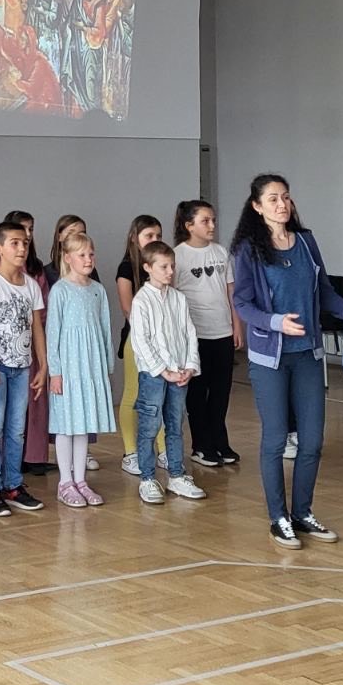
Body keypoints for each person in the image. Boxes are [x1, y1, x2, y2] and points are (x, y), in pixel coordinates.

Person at [230, 173, 343, 549]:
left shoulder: (305, 241)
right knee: (274, 440)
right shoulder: (248, 250)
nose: (281, 204)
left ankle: (302, 513)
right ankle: (278, 518)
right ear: (257, 206)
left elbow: (325, 294)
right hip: (270, 358)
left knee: (313, 441)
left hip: (307, 355)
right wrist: (275, 322)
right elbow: (242, 303)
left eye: (285, 197)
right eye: (273, 199)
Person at [0, 222, 46, 518]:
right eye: (14, 243)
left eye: (25, 243)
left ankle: (13, 485)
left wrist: (42, 365)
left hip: (21, 366)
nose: (21, 248)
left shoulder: (30, 286)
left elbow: (36, 328)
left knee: (17, 429)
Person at [129, 241, 206, 506]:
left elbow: (189, 333)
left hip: (179, 372)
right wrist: (163, 371)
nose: (170, 271)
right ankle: (147, 478)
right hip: (153, 375)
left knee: (175, 424)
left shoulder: (179, 298)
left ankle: (176, 475)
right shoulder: (141, 301)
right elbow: (141, 341)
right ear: (148, 268)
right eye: (164, 267)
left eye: (172, 266)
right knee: (149, 426)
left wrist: (190, 366)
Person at [45, 232, 115, 508]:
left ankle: (80, 480)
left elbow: (105, 329)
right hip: (68, 368)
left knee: (83, 423)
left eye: (91, 254)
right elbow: (53, 332)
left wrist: (107, 366)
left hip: (91, 366)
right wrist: (55, 371)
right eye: (81, 255)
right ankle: (65, 482)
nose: (88, 259)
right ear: (67, 258)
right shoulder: (60, 290)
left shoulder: (97, 290)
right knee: (66, 424)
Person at [173, 200, 242, 468]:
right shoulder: (178, 255)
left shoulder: (221, 252)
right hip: (195, 335)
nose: (212, 225)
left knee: (221, 391)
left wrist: (236, 325)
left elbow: (230, 292)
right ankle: (201, 445)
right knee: (198, 392)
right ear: (189, 225)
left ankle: (220, 441)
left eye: (213, 220)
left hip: (221, 331)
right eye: (205, 221)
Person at [0, 208, 57, 475]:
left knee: (36, 400)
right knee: (12, 405)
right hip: (11, 344)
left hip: (36, 338)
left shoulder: (35, 267)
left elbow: (41, 304)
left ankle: (34, 455)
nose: (27, 236)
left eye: (31, 230)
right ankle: (10, 458)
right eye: (21, 231)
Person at [116, 215, 165, 476]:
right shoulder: (126, 268)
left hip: (162, 341)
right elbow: (128, 308)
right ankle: (131, 452)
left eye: (158, 236)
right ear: (134, 238)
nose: (154, 240)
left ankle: (164, 450)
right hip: (137, 340)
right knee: (133, 394)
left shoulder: (162, 267)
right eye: (149, 236)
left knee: (161, 396)